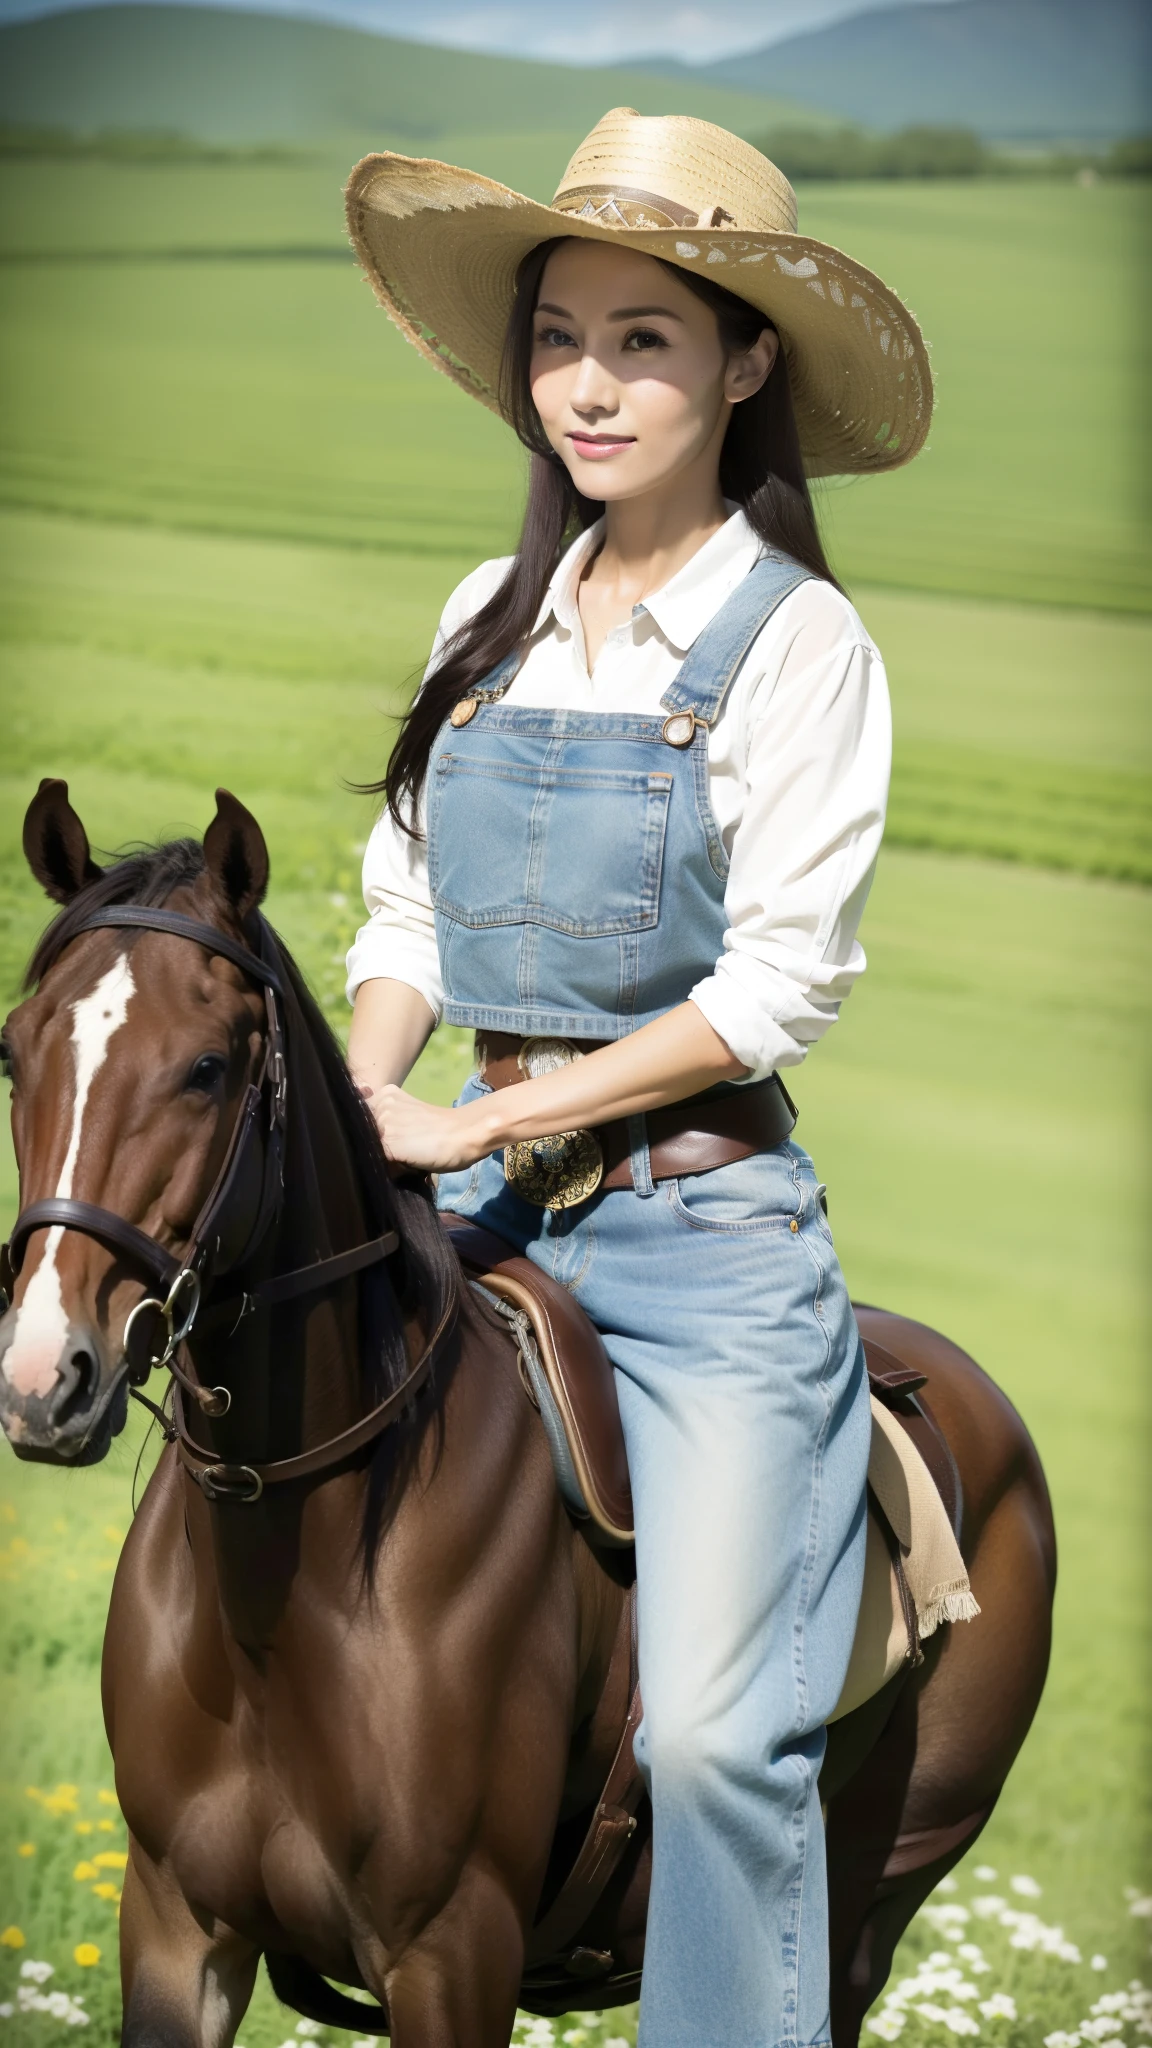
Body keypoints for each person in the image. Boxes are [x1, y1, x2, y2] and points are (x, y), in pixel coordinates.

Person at [342, 108, 932, 2048]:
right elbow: (407, 914)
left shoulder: (801, 644)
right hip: (470, 1209)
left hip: (700, 1240)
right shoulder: (480, 618)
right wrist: (370, 1108)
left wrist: (490, 1115)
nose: (584, 387)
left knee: (710, 1746)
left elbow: (774, 993)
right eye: (557, 336)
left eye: (645, 341)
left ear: (747, 362)